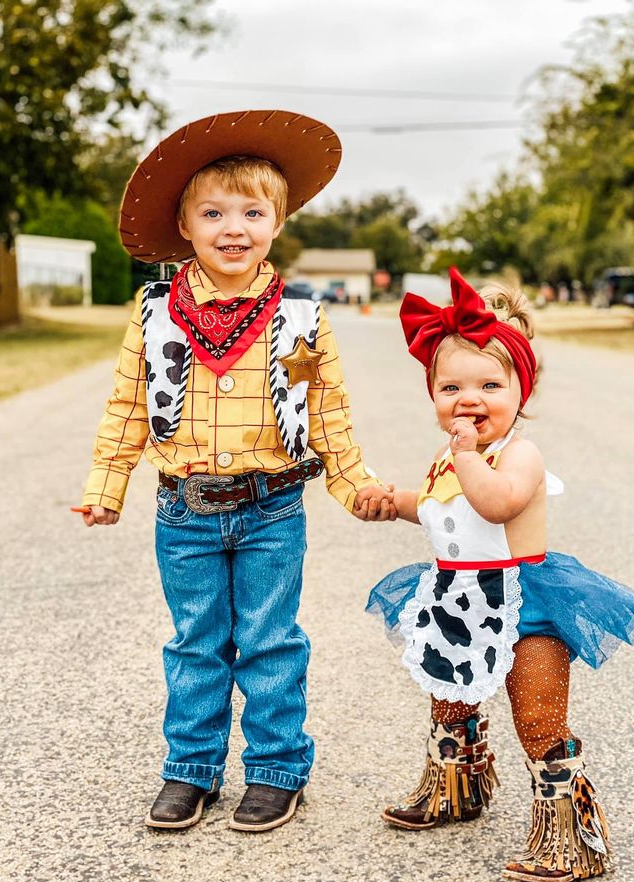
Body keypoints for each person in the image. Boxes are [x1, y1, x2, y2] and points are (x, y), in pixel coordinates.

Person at [77, 110, 394, 833]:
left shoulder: (301, 316)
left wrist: (355, 485)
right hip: (183, 510)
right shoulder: (154, 310)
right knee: (196, 640)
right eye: (213, 212)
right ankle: (190, 769)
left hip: (271, 508)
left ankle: (278, 769)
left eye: (253, 211)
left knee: (270, 639)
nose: (233, 227)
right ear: (184, 225)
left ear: (277, 222)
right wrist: (106, 486)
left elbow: (327, 410)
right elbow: (128, 402)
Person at [366, 267, 634, 882]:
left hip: (526, 605)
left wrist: (467, 456)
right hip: (457, 600)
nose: (468, 400)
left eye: (490, 385)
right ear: (434, 396)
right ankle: (454, 785)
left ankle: (569, 839)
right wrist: (396, 500)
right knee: (451, 697)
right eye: (451, 387)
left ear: (523, 391)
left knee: (538, 718)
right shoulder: (451, 457)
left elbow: (494, 503)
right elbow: (441, 503)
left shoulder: (518, 454)